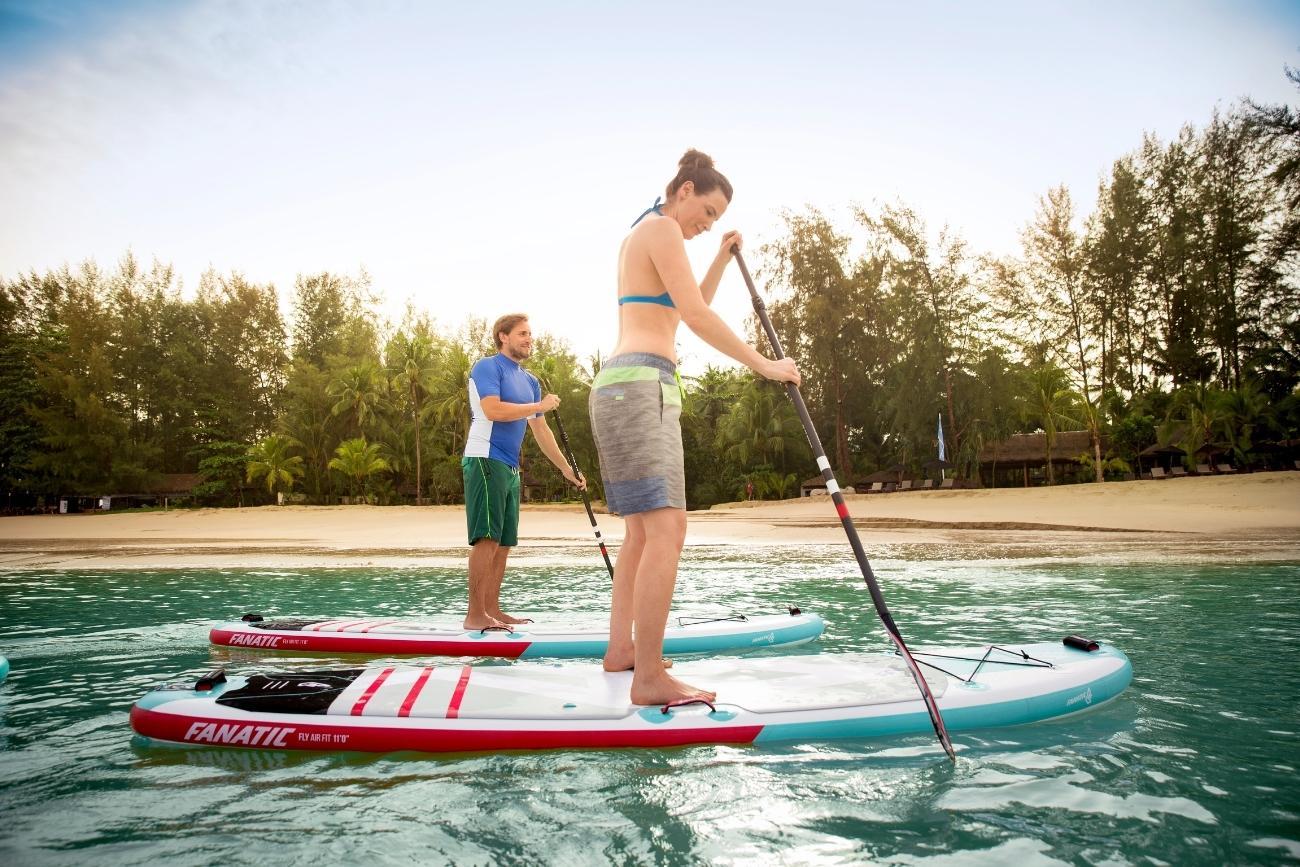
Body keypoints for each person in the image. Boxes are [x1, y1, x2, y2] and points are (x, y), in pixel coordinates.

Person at [589, 150, 800, 705]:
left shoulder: (645, 231)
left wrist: (721, 262)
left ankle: (624, 653)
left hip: (622, 385)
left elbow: (681, 308)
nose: (706, 225)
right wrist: (767, 366)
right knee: (667, 531)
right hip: (642, 387)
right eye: (705, 211)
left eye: (714, 220)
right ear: (683, 190)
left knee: (641, 533)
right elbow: (699, 318)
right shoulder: (661, 229)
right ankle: (650, 678)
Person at [463, 314, 585, 629]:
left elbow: (541, 430)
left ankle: (492, 610)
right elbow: (493, 410)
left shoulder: (530, 381)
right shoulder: (488, 367)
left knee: (503, 543)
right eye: (522, 333)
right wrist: (537, 406)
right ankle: (474, 616)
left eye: (530, 333)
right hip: (484, 458)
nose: (529, 339)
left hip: (509, 465)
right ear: (503, 336)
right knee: (486, 538)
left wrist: (566, 469)